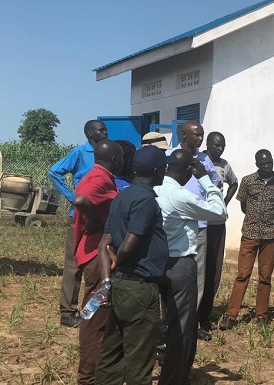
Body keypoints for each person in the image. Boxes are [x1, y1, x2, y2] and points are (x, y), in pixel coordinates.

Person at [95, 146, 173, 385]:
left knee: (111, 354)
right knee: (139, 361)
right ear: (157, 170)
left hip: (119, 286)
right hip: (140, 288)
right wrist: (121, 259)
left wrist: (108, 279)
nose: (166, 171)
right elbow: (129, 243)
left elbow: (103, 245)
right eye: (164, 167)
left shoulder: (122, 196)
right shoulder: (146, 200)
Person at [154, 150, 227, 385]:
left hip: (155, 264)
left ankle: (161, 363)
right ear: (188, 172)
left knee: (162, 319)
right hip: (180, 264)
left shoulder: (153, 189)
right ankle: (175, 377)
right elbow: (219, 211)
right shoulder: (181, 196)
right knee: (183, 326)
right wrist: (205, 179)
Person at [72, 140, 123, 385]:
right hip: (95, 257)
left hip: (94, 255)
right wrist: (93, 220)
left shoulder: (100, 175)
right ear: (115, 160)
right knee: (94, 319)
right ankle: (88, 378)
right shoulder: (100, 179)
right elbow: (81, 199)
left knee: (98, 317)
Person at [49, 119, 108, 327]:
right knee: (74, 265)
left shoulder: (107, 153)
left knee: (100, 264)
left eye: (105, 130)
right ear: (90, 134)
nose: (105, 133)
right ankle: (68, 312)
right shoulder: (80, 153)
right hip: (79, 216)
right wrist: (71, 196)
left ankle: (96, 310)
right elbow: (54, 172)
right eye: (101, 130)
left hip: (102, 218)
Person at [166, 120, 221, 340]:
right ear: (183, 135)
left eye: (201, 135)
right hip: (175, 225)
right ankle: (170, 319)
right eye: (196, 135)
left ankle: (192, 322)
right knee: (172, 272)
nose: (199, 139)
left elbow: (214, 183)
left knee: (198, 275)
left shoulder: (205, 159)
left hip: (199, 227)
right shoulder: (170, 156)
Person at [223, 149, 274, 329]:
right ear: (257, 164)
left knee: (265, 277)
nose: (267, 166)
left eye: (269, 162)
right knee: (242, 275)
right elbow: (244, 205)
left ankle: (261, 315)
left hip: (270, 236)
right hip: (250, 234)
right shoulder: (248, 181)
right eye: (263, 163)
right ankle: (232, 315)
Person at [200, 131, 239, 331]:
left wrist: (223, 203)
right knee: (200, 269)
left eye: (222, 145)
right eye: (217, 145)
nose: (220, 149)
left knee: (214, 269)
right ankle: (194, 312)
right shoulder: (198, 161)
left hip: (217, 225)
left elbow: (234, 183)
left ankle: (205, 314)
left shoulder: (224, 165)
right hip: (200, 224)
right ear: (207, 144)